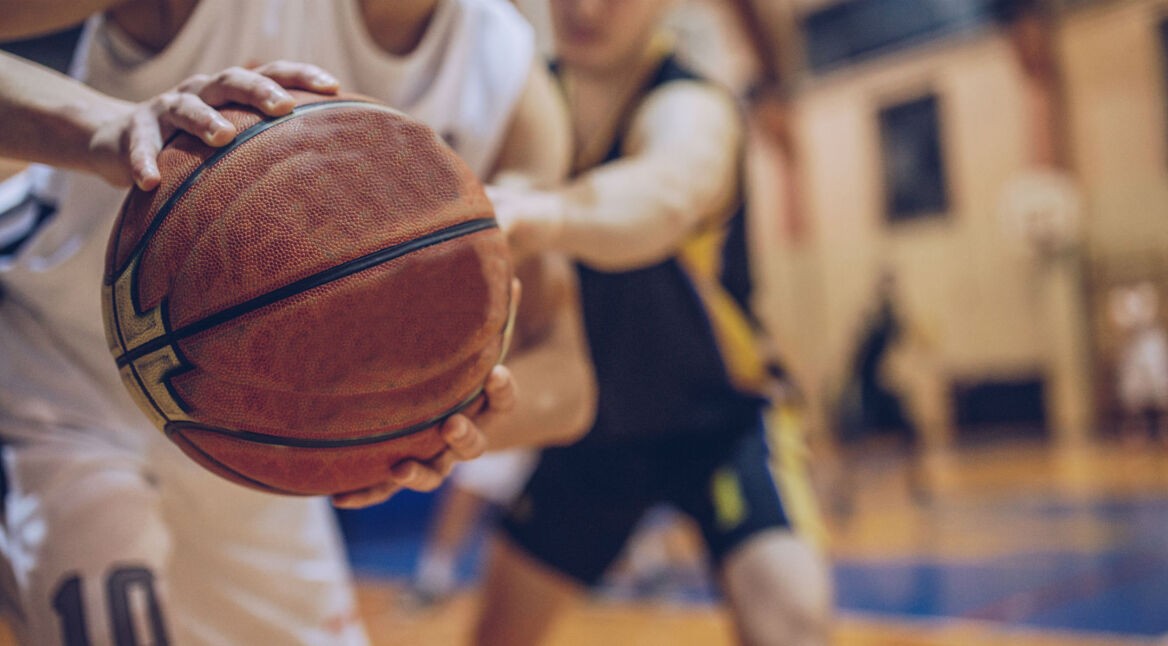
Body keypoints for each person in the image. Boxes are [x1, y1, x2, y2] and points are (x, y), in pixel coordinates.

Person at [0, 0, 594, 643]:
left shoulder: (510, 73)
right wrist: (109, 126)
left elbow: (567, 377)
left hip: (250, 438)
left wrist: (442, 421)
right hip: (49, 371)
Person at [473, 1, 833, 644]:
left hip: (721, 421)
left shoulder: (694, 103)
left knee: (791, 622)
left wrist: (541, 214)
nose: (586, 8)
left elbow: (663, 195)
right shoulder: (527, 100)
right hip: (593, 435)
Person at [1109, 281, 1168, 447]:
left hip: (1150, 346)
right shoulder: (1120, 300)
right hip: (1133, 348)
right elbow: (1118, 327)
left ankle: (1164, 430)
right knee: (1133, 394)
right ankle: (1136, 433)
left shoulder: (1148, 296)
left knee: (1161, 390)